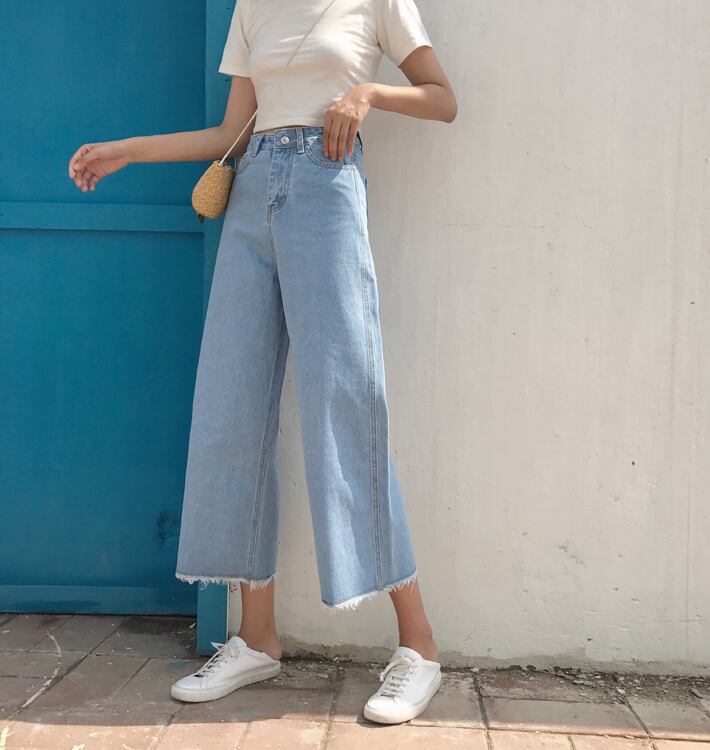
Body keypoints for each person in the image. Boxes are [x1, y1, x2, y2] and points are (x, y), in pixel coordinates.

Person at [68, 0, 457, 725]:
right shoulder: (253, 6)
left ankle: (418, 646)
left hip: (327, 189)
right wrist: (130, 150)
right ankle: (257, 637)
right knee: (231, 409)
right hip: (252, 199)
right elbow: (231, 135)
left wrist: (369, 93)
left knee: (346, 406)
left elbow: (443, 99)